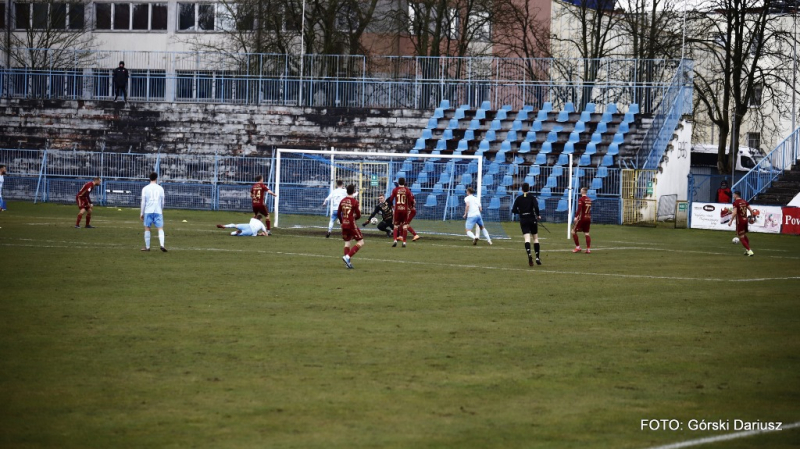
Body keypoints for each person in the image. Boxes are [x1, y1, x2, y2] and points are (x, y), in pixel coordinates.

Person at [511, 182, 541, 266]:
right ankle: (537, 257)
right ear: (529, 189)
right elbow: (536, 207)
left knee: (527, 238)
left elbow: (513, 210)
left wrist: (520, 212)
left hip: (523, 219)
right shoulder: (532, 197)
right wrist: (538, 215)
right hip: (532, 218)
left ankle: (529, 255)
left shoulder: (519, 198)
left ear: (521, 189)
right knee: (535, 238)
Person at [140, 172, 167, 252]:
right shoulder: (160, 188)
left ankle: (147, 247)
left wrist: (141, 213)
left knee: (147, 228)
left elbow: (143, 202)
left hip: (148, 210)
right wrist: (161, 209)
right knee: (160, 228)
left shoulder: (145, 188)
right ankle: (162, 245)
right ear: (156, 178)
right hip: (158, 210)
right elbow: (162, 202)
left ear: (149, 178)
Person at [339, 184, 364, 269]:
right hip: (351, 224)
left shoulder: (342, 201)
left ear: (346, 191)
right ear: (353, 192)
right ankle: (347, 257)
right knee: (361, 242)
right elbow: (358, 214)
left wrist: (342, 222)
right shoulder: (354, 202)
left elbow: (339, 213)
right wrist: (354, 218)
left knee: (347, 242)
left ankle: (347, 263)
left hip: (344, 224)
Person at [388, 177, 415, 247]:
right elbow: (411, 200)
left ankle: (395, 240)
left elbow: (391, 199)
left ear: (398, 183)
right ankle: (404, 242)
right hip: (405, 210)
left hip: (397, 209)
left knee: (396, 225)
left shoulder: (395, 190)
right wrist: (411, 206)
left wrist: (391, 205)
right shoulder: (407, 190)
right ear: (404, 182)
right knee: (405, 226)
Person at [728, 190, 755, 256]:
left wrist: (731, 221)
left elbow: (734, 213)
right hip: (745, 220)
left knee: (741, 237)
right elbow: (751, 210)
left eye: (734, 194)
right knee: (744, 235)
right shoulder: (744, 201)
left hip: (740, 221)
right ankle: (747, 250)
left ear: (736, 195)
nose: (733, 196)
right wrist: (751, 218)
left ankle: (749, 250)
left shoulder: (735, 203)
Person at [572, 187, 592, 254]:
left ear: (582, 191)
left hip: (582, 218)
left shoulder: (581, 199)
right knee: (587, 233)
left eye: (581, 190)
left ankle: (578, 247)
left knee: (573, 231)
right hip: (588, 217)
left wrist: (576, 216)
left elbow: (579, 208)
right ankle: (588, 249)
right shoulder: (589, 200)